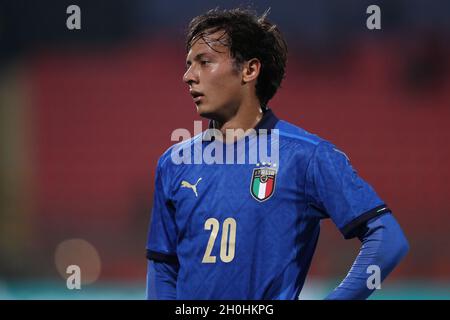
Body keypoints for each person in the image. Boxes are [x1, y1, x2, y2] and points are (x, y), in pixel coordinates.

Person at [145, 8, 409, 300]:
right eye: (188, 64)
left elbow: (388, 240)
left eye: (204, 62)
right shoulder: (174, 163)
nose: (188, 76)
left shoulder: (307, 157)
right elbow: (163, 266)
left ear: (249, 70)